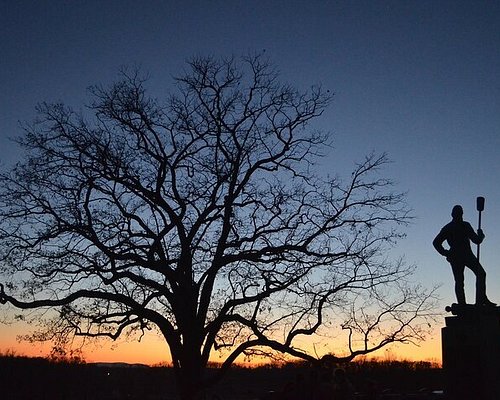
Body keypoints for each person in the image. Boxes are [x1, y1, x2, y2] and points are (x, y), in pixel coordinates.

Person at [433, 205, 495, 306]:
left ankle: (481, 299)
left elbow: (476, 240)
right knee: (460, 280)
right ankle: (462, 303)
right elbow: (436, 242)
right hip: (457, 256)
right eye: (457, 213)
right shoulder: (449, 228)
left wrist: (480, 235)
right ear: (453, 214)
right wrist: (446, 253)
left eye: (460, 212)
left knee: (480, 274)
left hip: (466, 255)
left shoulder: (465, 225)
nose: (459, 215)